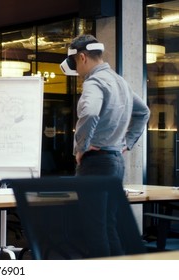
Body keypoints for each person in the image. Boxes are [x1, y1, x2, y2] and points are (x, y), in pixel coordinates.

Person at [60, 34, 150, 257]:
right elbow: (143, 112)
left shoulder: (94, 81)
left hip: (96, 163)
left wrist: (81, 147)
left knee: (92, 229)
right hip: (116, 162)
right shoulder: (120, 81)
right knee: (108, 225)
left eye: (74, 64)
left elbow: (90, 112)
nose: (76, 71)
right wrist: (127, 143)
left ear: (82, 57)